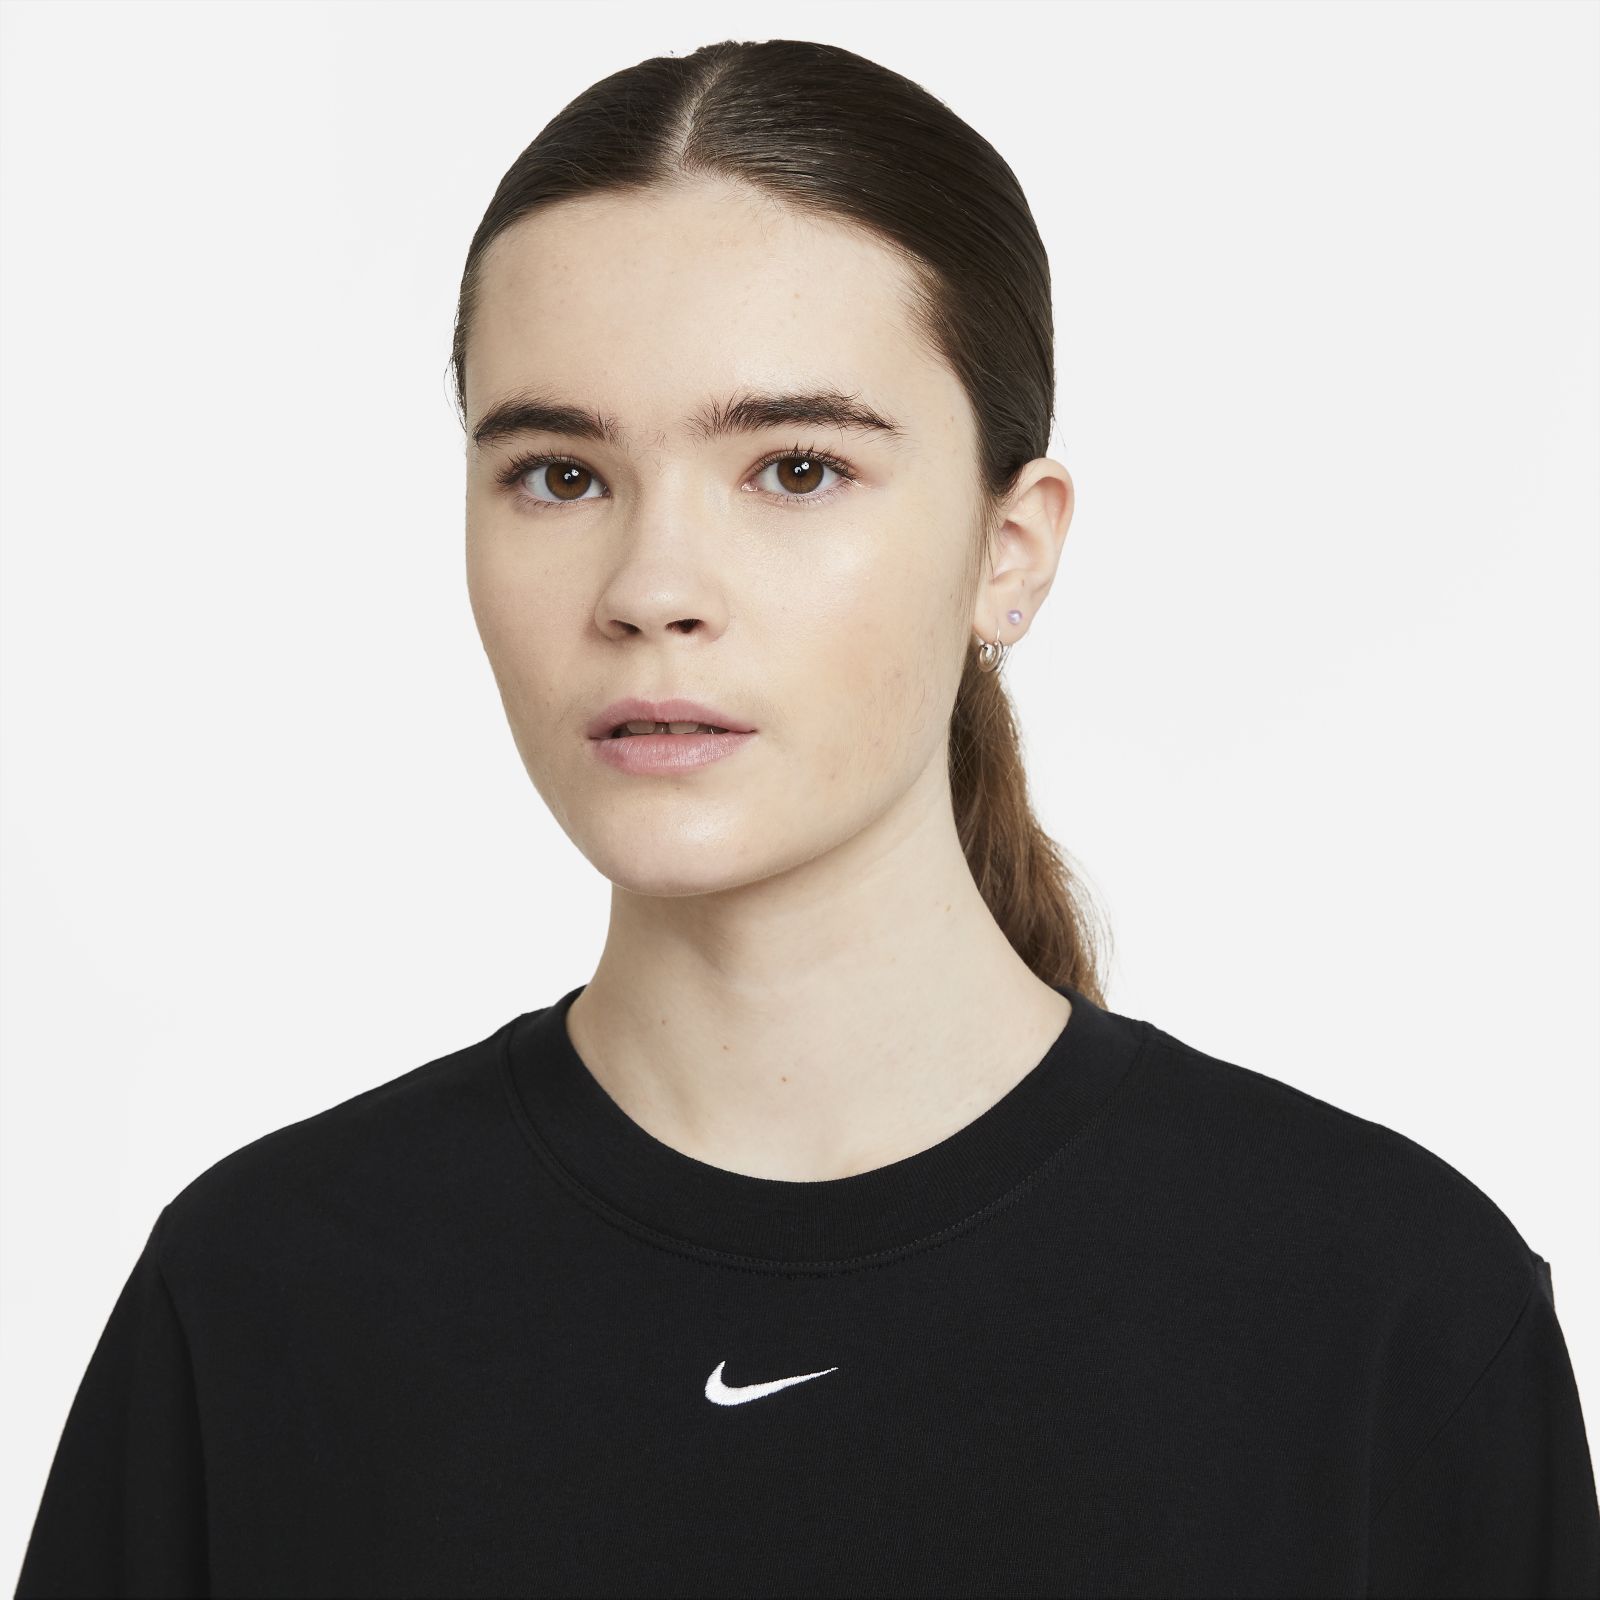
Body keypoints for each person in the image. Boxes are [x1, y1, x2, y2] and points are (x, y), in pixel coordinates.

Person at [15, 36, 1599, 1600]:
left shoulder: (1386, 1311)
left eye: (793, 469)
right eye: (560, 476)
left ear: (1011, 550)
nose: (651, 591)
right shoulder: (268, 1299)